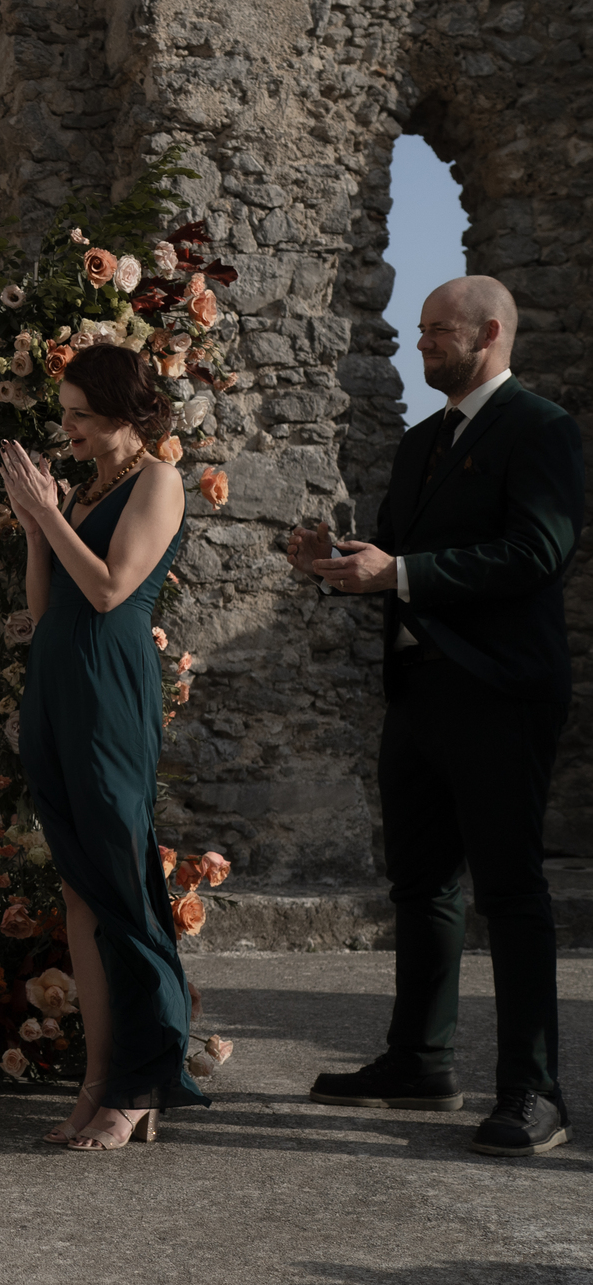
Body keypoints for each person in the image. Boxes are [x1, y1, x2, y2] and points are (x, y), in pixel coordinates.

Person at [288, 274, 580, 1157]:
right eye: (418, 334)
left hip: (499, 691)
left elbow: (538, 551)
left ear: (489, 332)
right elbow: (402, 560)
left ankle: (536, 1092)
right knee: (420, 887)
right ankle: (419, 1062)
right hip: (418, 692)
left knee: (511, 892)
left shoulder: (543, 430)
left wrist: (399, 575)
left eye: (434, 334)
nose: (420, 347)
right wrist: (338, 561)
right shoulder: (419, 445)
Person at [0, 343, 207, 1151]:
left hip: (112, 697)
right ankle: (97, 1084)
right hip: (57, 687)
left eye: (81, 414)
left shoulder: (159, 480)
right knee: (82, 895)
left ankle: (142, 1081)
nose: (69, 427)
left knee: (122, 886)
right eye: (67, 413)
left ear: (126, 414)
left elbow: (114, 588)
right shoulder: (87, 492)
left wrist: (51, 515)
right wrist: (34, 526)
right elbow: (47, 607)